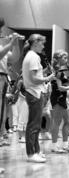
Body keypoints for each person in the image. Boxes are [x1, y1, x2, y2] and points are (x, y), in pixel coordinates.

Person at [22, 34, 55, 163]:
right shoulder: (34, 57)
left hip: (34, 92)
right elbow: (35, 79)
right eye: (42, 43)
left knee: (35, 125)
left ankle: (36, 151)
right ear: (35, 43)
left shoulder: (31, 56)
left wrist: (46, 72)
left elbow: (35, 75)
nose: (43, 46)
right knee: (33, 125)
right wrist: (48, 78)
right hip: (34, 93)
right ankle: (31, 153)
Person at [50, 50, 69, 153]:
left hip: (62, 97)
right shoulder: (56, 71)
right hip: (57, 97)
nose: (66, 60)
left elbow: (64, 84)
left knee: (68, 121)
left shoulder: (62, 71)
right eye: (64, 58)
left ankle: (65, 144)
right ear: (58, 59)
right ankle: (54, 145)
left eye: (67, 58)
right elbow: (60, 87)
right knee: (57, 121)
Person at [0, 18, 20, 151]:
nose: (2, 31)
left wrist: (16, 44)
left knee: (2, 112)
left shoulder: (1, 45)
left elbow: (13, 58)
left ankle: (2, 134)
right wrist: (10, 42)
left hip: (2, 78)